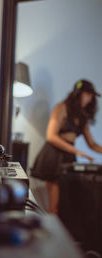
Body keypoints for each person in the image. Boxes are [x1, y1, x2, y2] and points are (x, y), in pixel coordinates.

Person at [31, 79, 102, 214]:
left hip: (68, 157)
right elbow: (51, 136)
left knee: (68, 205)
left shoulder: (82, 117)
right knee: (54, 207)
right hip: (53, 155)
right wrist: (76, 151)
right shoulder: (61, 107)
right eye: (87, 94)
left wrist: (77, 152)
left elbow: (92, 144)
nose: (89, 99)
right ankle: (53, 233)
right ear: (77, 94)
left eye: (91, 96)